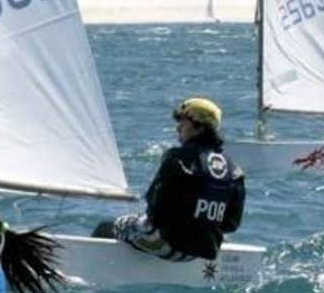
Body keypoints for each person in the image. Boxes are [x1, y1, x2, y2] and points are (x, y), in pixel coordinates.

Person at [96, 96, 245, 261]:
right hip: (205, 250)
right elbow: (230, 224)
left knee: (106, 227)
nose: (178, 128)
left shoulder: (177, 158)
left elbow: (155, 207)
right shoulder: (235, 170)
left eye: (183, 123)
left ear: (199, 128)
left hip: (169, 246)